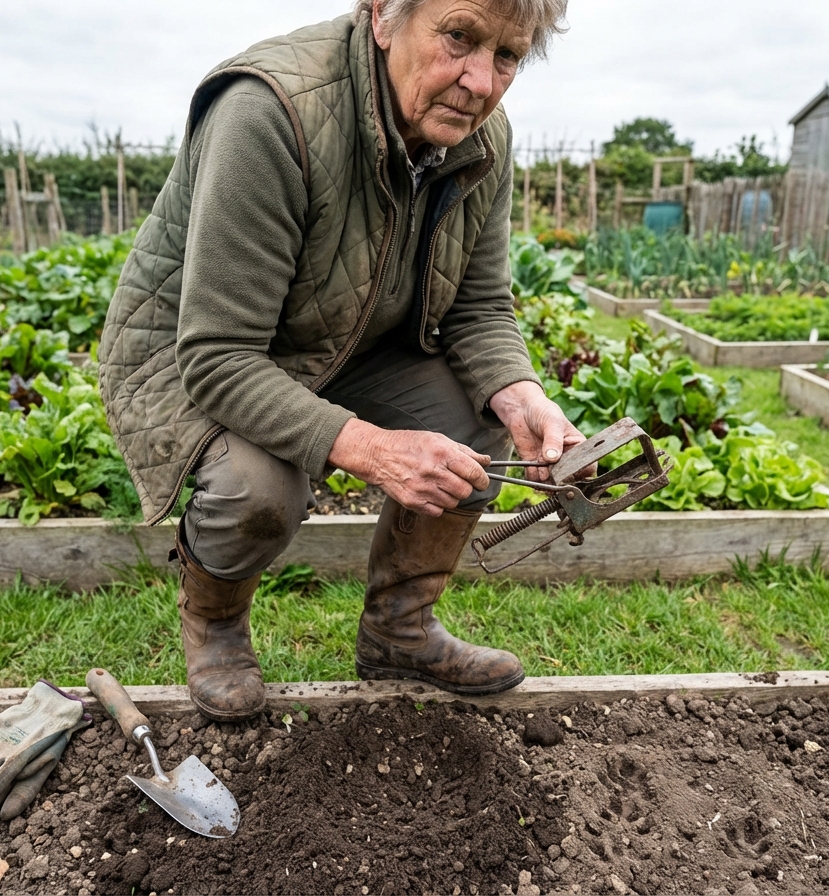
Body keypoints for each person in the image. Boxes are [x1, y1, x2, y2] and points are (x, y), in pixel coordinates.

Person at [100, 0, 574, 723]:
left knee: (475, 423)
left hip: (344, 339)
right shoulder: (270, 113)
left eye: (507, 55)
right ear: (384, 15)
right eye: (458, 37)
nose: (479, 81)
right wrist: (374, 449)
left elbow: (479, 308)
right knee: (259, 489)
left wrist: (522, 394)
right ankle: (217, 624)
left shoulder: (482, 138)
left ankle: (399, 632)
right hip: (202, 351)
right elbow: (220, 355)